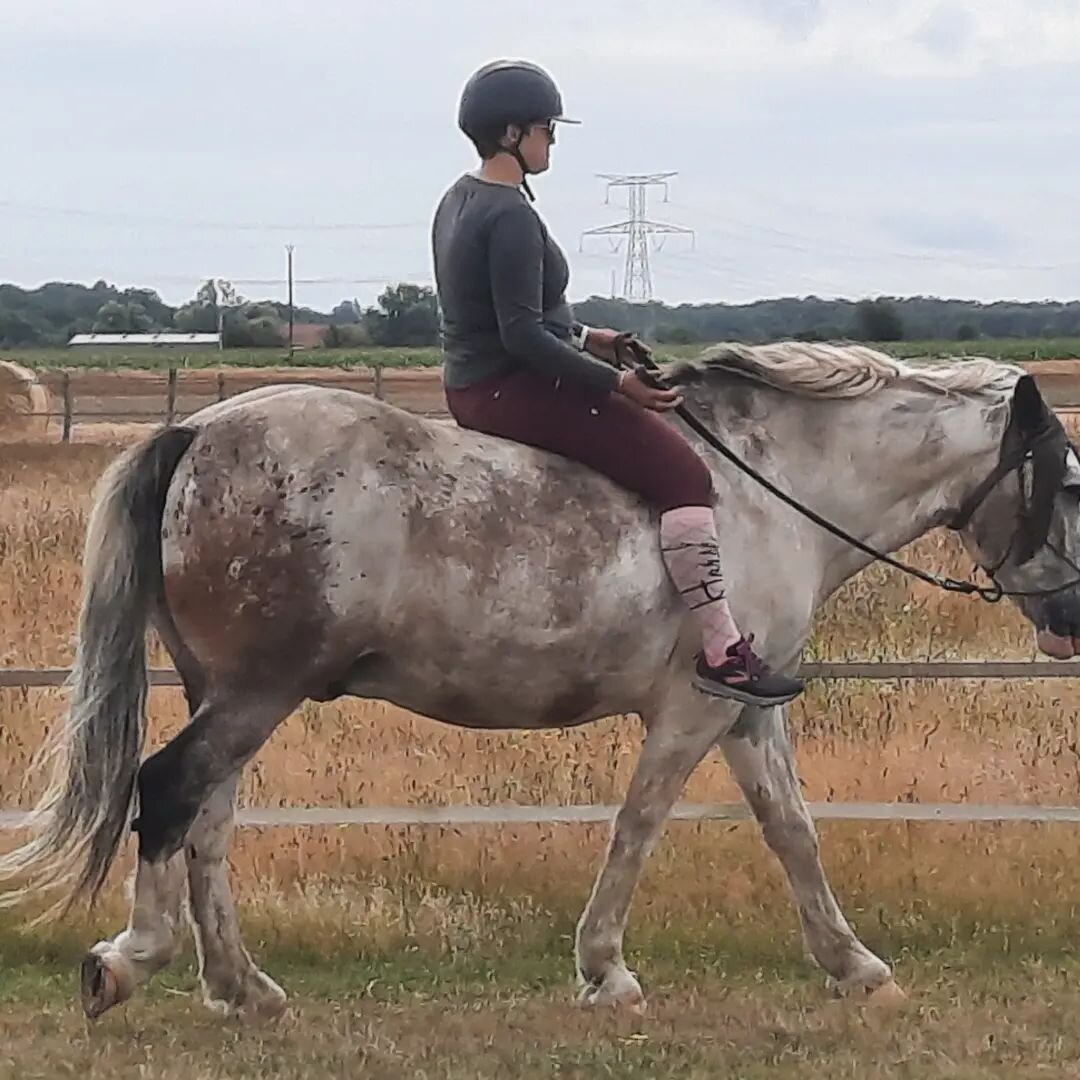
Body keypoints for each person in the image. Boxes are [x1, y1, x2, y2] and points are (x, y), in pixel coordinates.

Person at [430, 58, 804, 707]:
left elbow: (515, 317)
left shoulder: (459, 198)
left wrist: (592, 338)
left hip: (473, 379)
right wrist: (613, 384)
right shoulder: (512, 216)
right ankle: (723, 652)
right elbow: (521, 337)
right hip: (508, 386)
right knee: (686, 478)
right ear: (515, 133)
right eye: (547, 129)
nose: (553, 141)